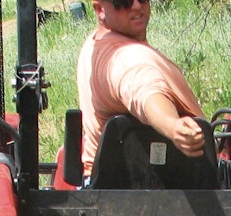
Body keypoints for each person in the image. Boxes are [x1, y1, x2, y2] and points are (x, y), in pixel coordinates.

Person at [76, 0, 205, 181]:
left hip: (105, 186)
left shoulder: (95, 44)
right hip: (146, 189)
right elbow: (145, 93)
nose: (137, 6)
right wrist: (173, 126)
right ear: (100, 9)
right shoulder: (126, 57)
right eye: (124, 2)